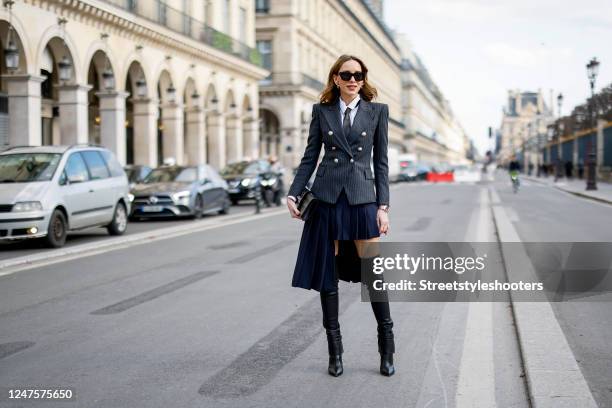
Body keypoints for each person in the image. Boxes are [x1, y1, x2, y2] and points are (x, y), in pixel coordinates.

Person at [286, 55, 394, 377]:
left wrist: (383, 206)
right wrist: (294, 191)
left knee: (373, 273)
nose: (353, 80)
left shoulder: (378, 112)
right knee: (327, 274)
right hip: (328, 197)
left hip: (362, 198)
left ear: (363, 79)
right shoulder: (322, 112)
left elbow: (382, 163)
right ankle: (336, 353)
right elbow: (310, 156)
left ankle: (386, 348)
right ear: (335, 78)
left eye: (358, 75)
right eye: (346, 74)